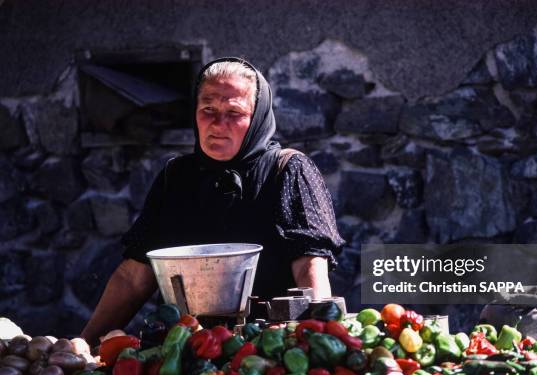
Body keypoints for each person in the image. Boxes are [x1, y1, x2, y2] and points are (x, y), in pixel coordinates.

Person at [81, 57, 345, 346]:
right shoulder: (176, 178)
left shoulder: (287, 170)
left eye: (234, 112)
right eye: (208, 109)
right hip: (184, 349)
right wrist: (83, 345)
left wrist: (319, 340)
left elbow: (310, 264)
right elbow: (134, 277)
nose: (219, 124)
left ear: (257, 116)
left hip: (268, 350)